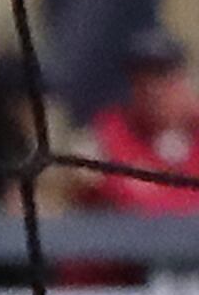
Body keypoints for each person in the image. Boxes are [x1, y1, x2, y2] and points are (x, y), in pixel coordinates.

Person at [79, 27, 199, 214]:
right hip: (134, 240)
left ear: (185, 81)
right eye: (141, 80)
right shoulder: (108, 136)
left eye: (163, 76)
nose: (153, 91)